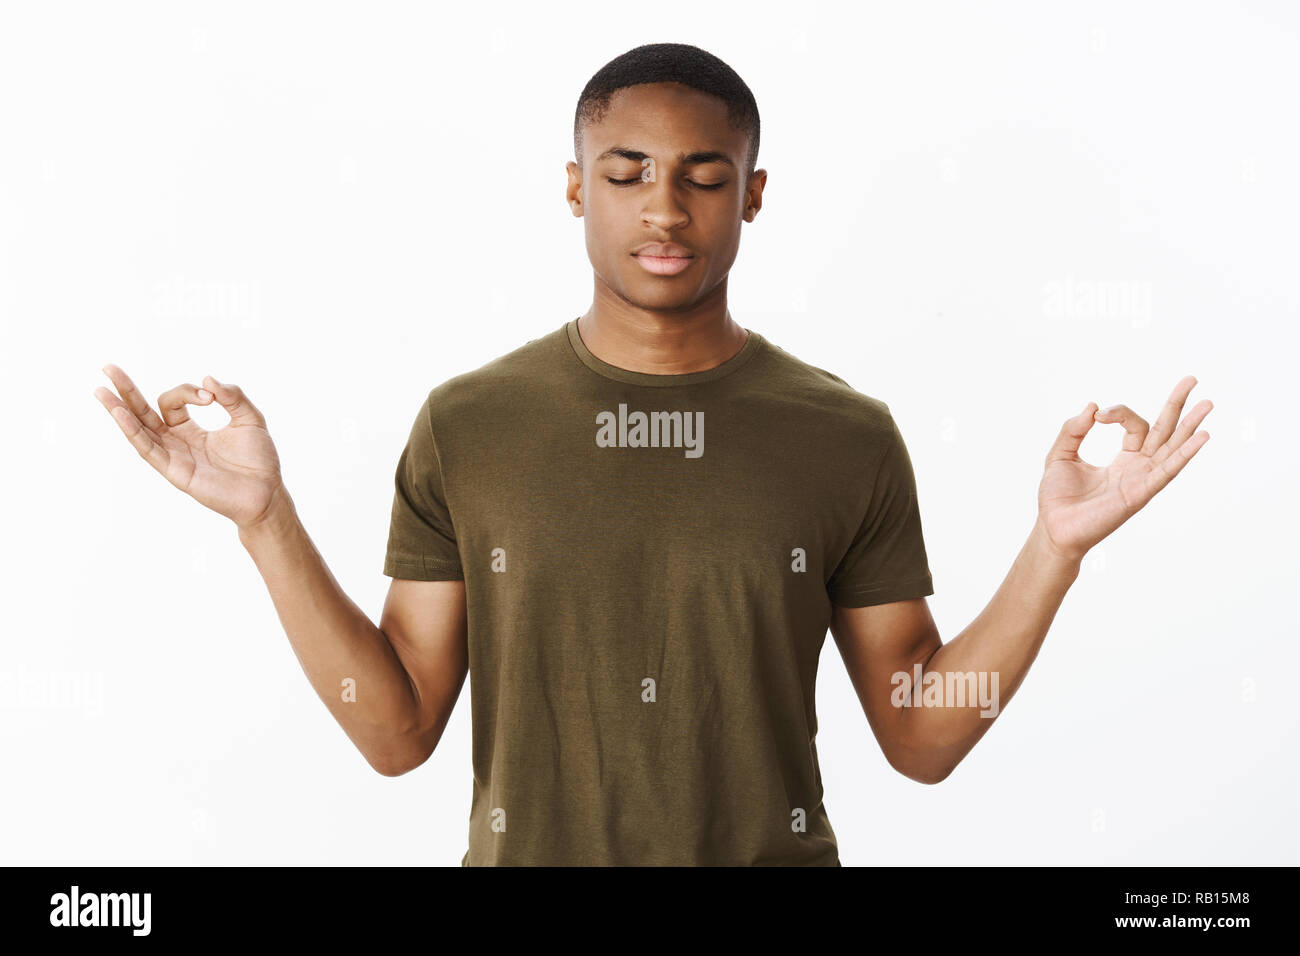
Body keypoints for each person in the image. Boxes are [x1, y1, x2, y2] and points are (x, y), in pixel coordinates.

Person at [92, 42, 1213, 866]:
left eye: (703, 175)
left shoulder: (844, 434)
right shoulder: (468, 423)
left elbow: (921, 733)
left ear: (752, 194)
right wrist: (266, 522)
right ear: (576, 186)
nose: (663, 209)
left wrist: (1054, 549)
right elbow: (395, 730)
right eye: (625, 172)